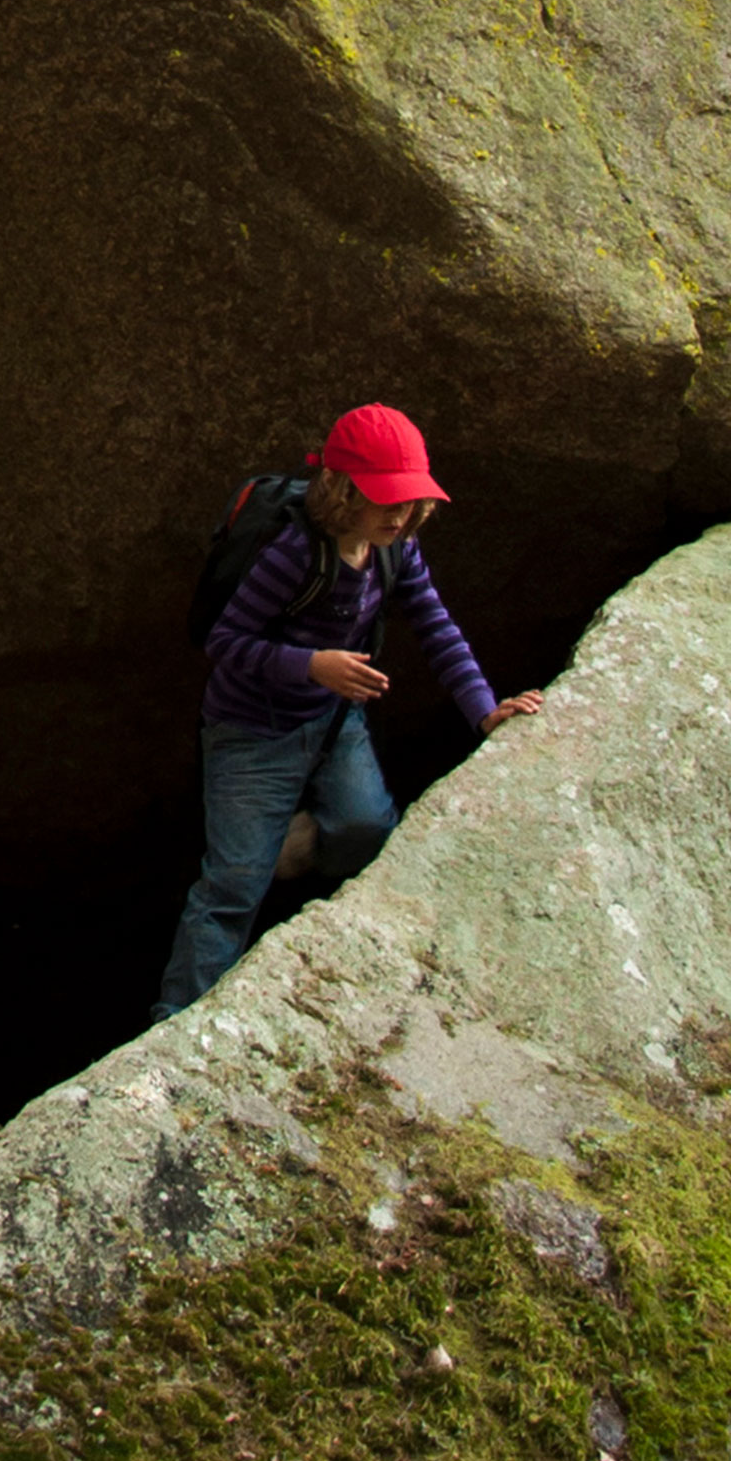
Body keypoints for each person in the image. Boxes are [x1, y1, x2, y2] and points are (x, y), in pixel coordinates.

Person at [150, 404, 542, 1021]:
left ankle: (303, 849)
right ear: (341, 491)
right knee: (233, 886)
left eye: (410, 501)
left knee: (367, 832)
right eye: (385, 500)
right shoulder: (291, 554)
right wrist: (311, 664)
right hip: (251, 732)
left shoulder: (397, 551)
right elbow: (224, 644)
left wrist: (484, 712)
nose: (401, 515)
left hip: (333, 723)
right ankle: (172, 1022)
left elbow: (437, 627)